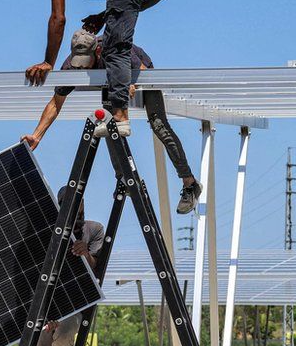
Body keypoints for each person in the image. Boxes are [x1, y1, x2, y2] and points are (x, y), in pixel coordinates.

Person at [21, 28, 201, 214]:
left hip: (136, 73)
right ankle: (123, 177)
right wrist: (37, 135)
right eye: (78, 63)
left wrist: (131, 84)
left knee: (159, 125)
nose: (82, 67)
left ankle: (190, 183)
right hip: (110, 83)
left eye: (85, 62)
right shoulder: (71, 65)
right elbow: (55, 104)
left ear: (97, 51)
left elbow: (144, 73)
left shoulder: (115, 48)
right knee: (108, 123)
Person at [27, 0, 166, 140]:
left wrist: (48, 62)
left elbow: (58, 18)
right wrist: (103, 16)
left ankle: (120, 118)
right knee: (114, 40)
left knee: (113, 48)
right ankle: (120, 113)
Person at [25, 188, 104, 346]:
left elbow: (96, 269)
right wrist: (47, 312)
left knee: (66, 332)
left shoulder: (93, 229)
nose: (75, 206)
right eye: (68, 202)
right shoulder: (48, 232)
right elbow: (37, 269)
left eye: (78, 201)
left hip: (74, 302)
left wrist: (85, 253)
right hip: (46, 305)